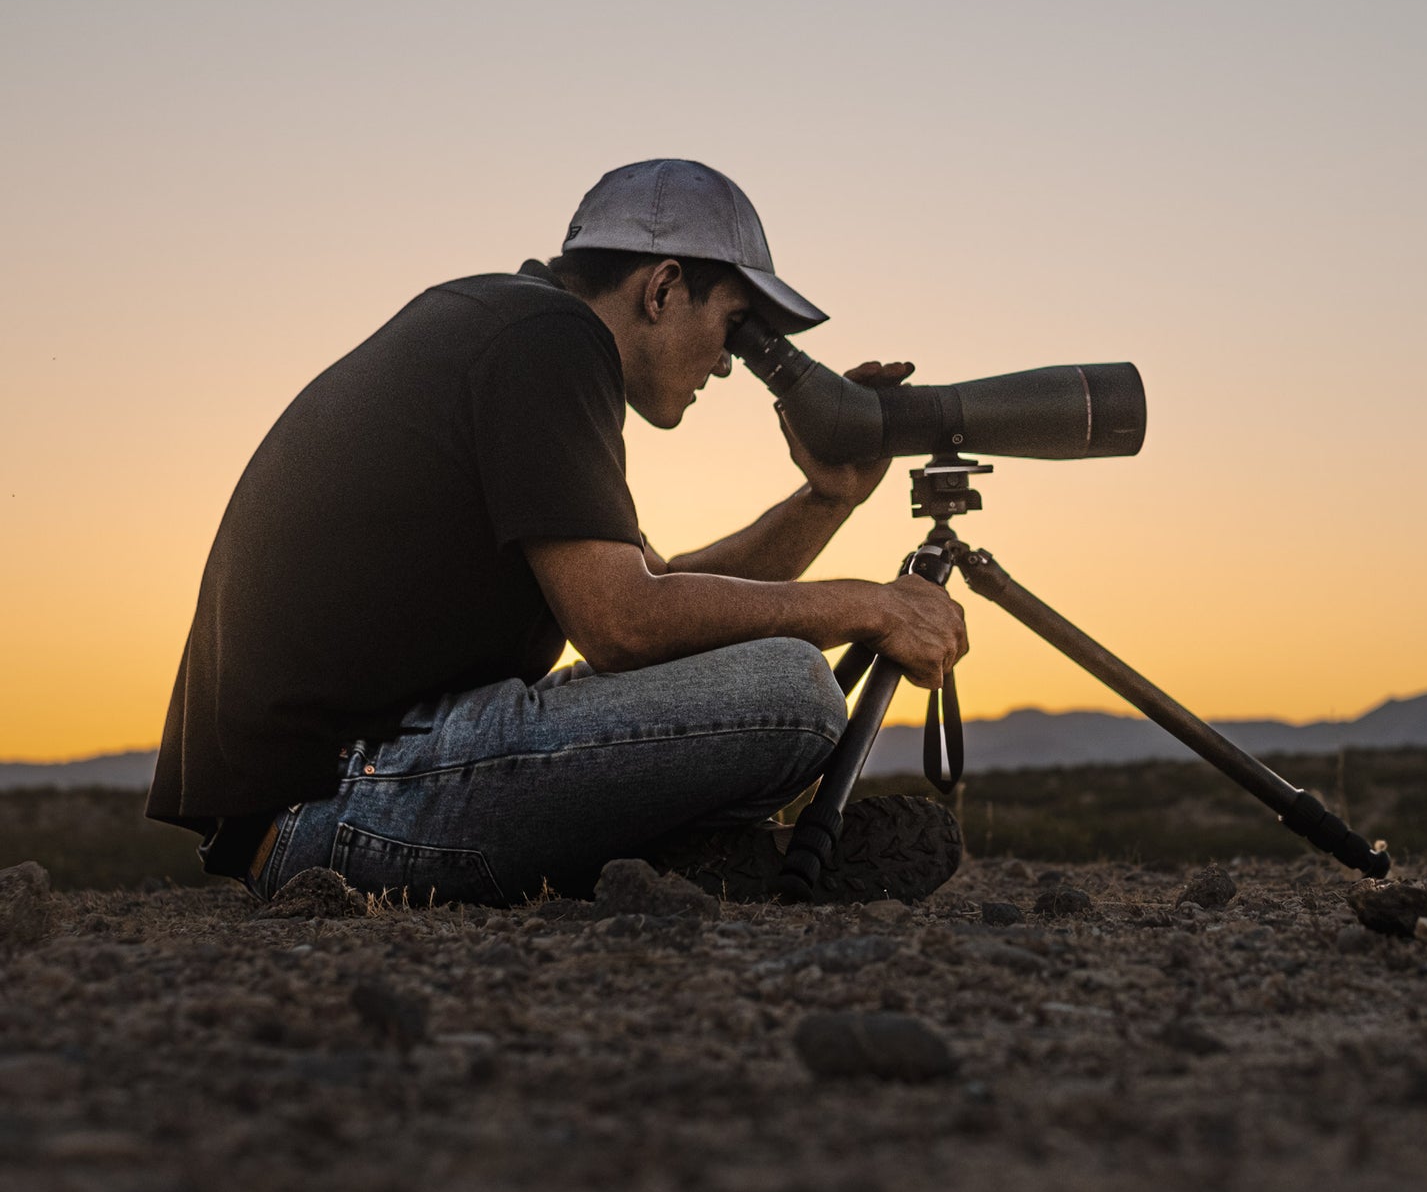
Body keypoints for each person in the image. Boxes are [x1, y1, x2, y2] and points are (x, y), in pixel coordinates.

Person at [146, 159, 968, 905]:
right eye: (736, 325)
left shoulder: (510, 326)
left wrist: (826, 498)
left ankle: (681, 865)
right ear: (663, 288)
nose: (727, 364)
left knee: (758, 667)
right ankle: (685, 861)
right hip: (337, 801)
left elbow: (664, 588)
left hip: (329, 791)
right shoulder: (550, 340)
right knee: (795, 694)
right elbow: (624, 624)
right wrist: (872, 605)